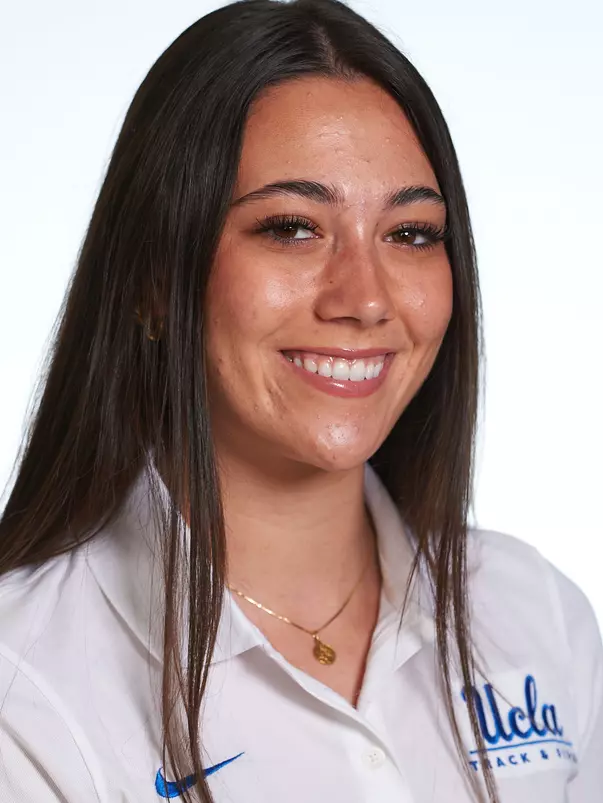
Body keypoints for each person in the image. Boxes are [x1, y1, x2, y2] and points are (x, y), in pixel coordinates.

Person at [0, 0, 601, 801]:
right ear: (151, 282)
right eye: (290, 227)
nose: (364, 299)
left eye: (411, 234)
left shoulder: (534, 613)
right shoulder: (25, 684)